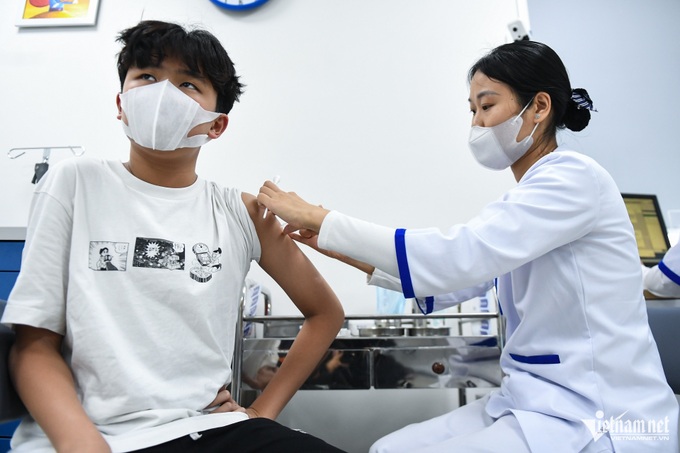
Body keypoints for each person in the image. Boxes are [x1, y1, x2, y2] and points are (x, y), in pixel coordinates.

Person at [257, 40, 679, 453]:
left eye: (488, 105)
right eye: (472, 110)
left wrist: (321, 219)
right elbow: (454, 285)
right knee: (388, 447)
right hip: (533, 402)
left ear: (539, 107)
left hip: (598, 411)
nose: (477, 123)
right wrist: (336, 247)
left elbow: (462, 256)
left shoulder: (572, 179)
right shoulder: (527, 199)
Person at [1, 20, 346, 453]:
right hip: (87, 435)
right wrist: (84, 445)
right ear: (121, 103)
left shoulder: (241, 213)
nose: (162, 93)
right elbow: (32, 347)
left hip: (204, 429)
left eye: (187, 84)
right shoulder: (74, 184)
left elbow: (325, 313)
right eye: (146, 76)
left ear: (217, 125)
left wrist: (263, 411)